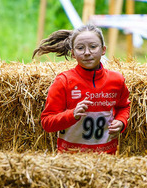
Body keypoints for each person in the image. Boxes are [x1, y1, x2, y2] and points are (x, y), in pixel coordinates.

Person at [35, 25, 131, 154]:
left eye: (93, 47)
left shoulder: (117, 80)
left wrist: (121, 121)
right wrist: (72, 114)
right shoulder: (63, 81)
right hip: (71, 158)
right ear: (73, 53)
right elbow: (47, 123)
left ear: (103, 50)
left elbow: (124, 107)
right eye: (80, 48)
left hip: (107, 158)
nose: (87, 52)